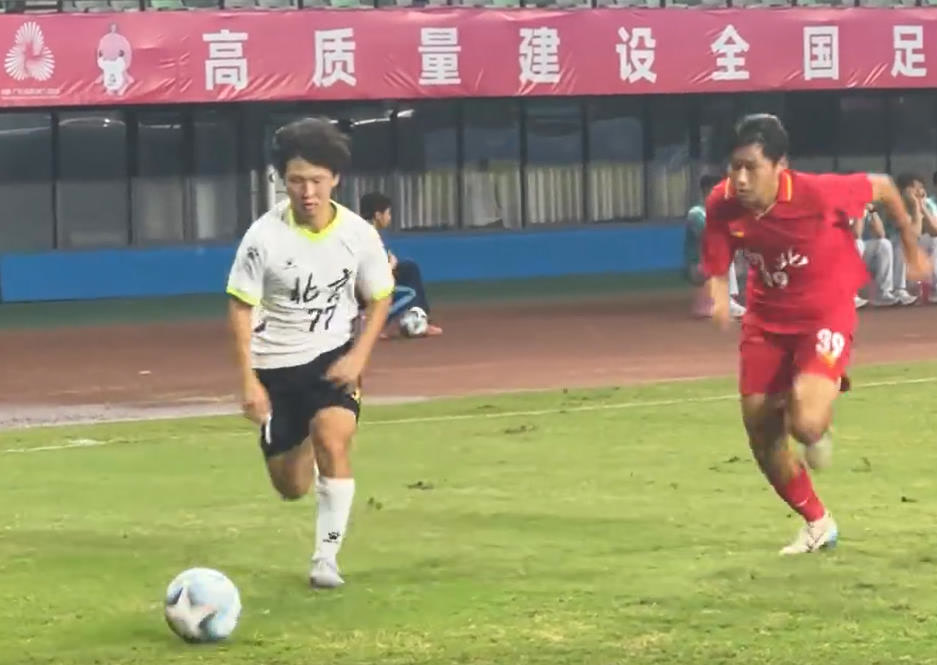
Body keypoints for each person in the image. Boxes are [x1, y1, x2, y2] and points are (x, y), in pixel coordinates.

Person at [701, 114, 931, 555]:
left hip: (825, 313)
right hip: (766, 320)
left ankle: (814, 406)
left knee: (805, 426)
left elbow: (884, 186)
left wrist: (909, 245)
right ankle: (817, 522)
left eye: (751, 167)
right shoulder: (723, 202)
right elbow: (717, 249)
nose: (741, 179)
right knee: (760, 431)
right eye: (735, 167)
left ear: (779, 165)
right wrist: (717, 294)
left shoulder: (817, 193)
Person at [225, 117, 394, 588]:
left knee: (333, 439)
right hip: (275, 367)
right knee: (291, 487)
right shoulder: (263, 238)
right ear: (283, 180)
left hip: (331, 361)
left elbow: (380, 297)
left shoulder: (359, 234)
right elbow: (240, 306)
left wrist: (358, 357)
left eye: (317, 180)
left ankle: (326, 559)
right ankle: (294, 437)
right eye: (296, 180)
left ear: (335, 178)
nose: (307, 192)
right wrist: (248, 381)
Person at [359, 191, 443, 338]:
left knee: (409, 268)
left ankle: (421, 319)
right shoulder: (368, 236)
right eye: (388, 213)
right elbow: (369, 274)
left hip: (368, 284)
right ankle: (374, 324)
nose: (389, 217)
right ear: (378, 215)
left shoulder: (365, 230)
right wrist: (390, 265)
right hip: (364, 292)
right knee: (410, 293)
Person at [685, 174, 746, 319]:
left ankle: (726, 301)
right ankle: (726, 303)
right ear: (709, 190)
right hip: (697, 265)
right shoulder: (696, 213)